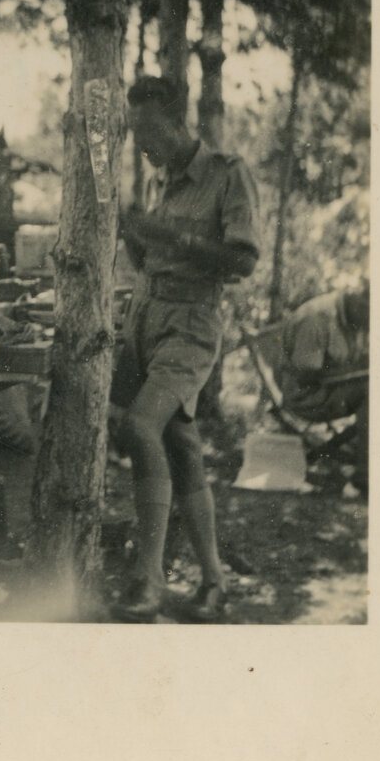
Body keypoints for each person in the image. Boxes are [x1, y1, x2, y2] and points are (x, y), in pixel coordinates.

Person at [111, 76, 260, 623]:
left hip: (192, 324)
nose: (143, 144)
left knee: (139, 427)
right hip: (146, 318)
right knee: (180, 447)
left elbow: (243, 262)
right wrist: (132, 230)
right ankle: (215, 582)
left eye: (151, 131)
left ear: (180, 122)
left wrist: (170, 237)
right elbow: (149, 260)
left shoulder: (227, 174)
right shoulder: (156, 182)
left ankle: (146, 579)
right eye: (136, 134)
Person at [278, 284, 369, 486]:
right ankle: (365, 475)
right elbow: (305, 376)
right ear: (358, 300)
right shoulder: (317, 319)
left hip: (336, 389)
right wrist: (352, 374)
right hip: (306, 397)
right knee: (373, 392)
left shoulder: (358, 315)